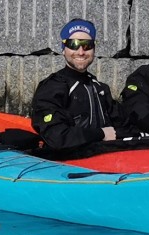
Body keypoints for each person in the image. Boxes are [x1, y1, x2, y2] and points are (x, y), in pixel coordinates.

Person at [28, 18, 119, 158]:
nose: (81, 52)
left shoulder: (100, 88)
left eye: (87, 45)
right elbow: (56, 136)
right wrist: (101, 133)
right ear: (63, 49)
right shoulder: (52, 88)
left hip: (103, 159)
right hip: (65, 163)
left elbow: (123, 124)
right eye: (73, 44)